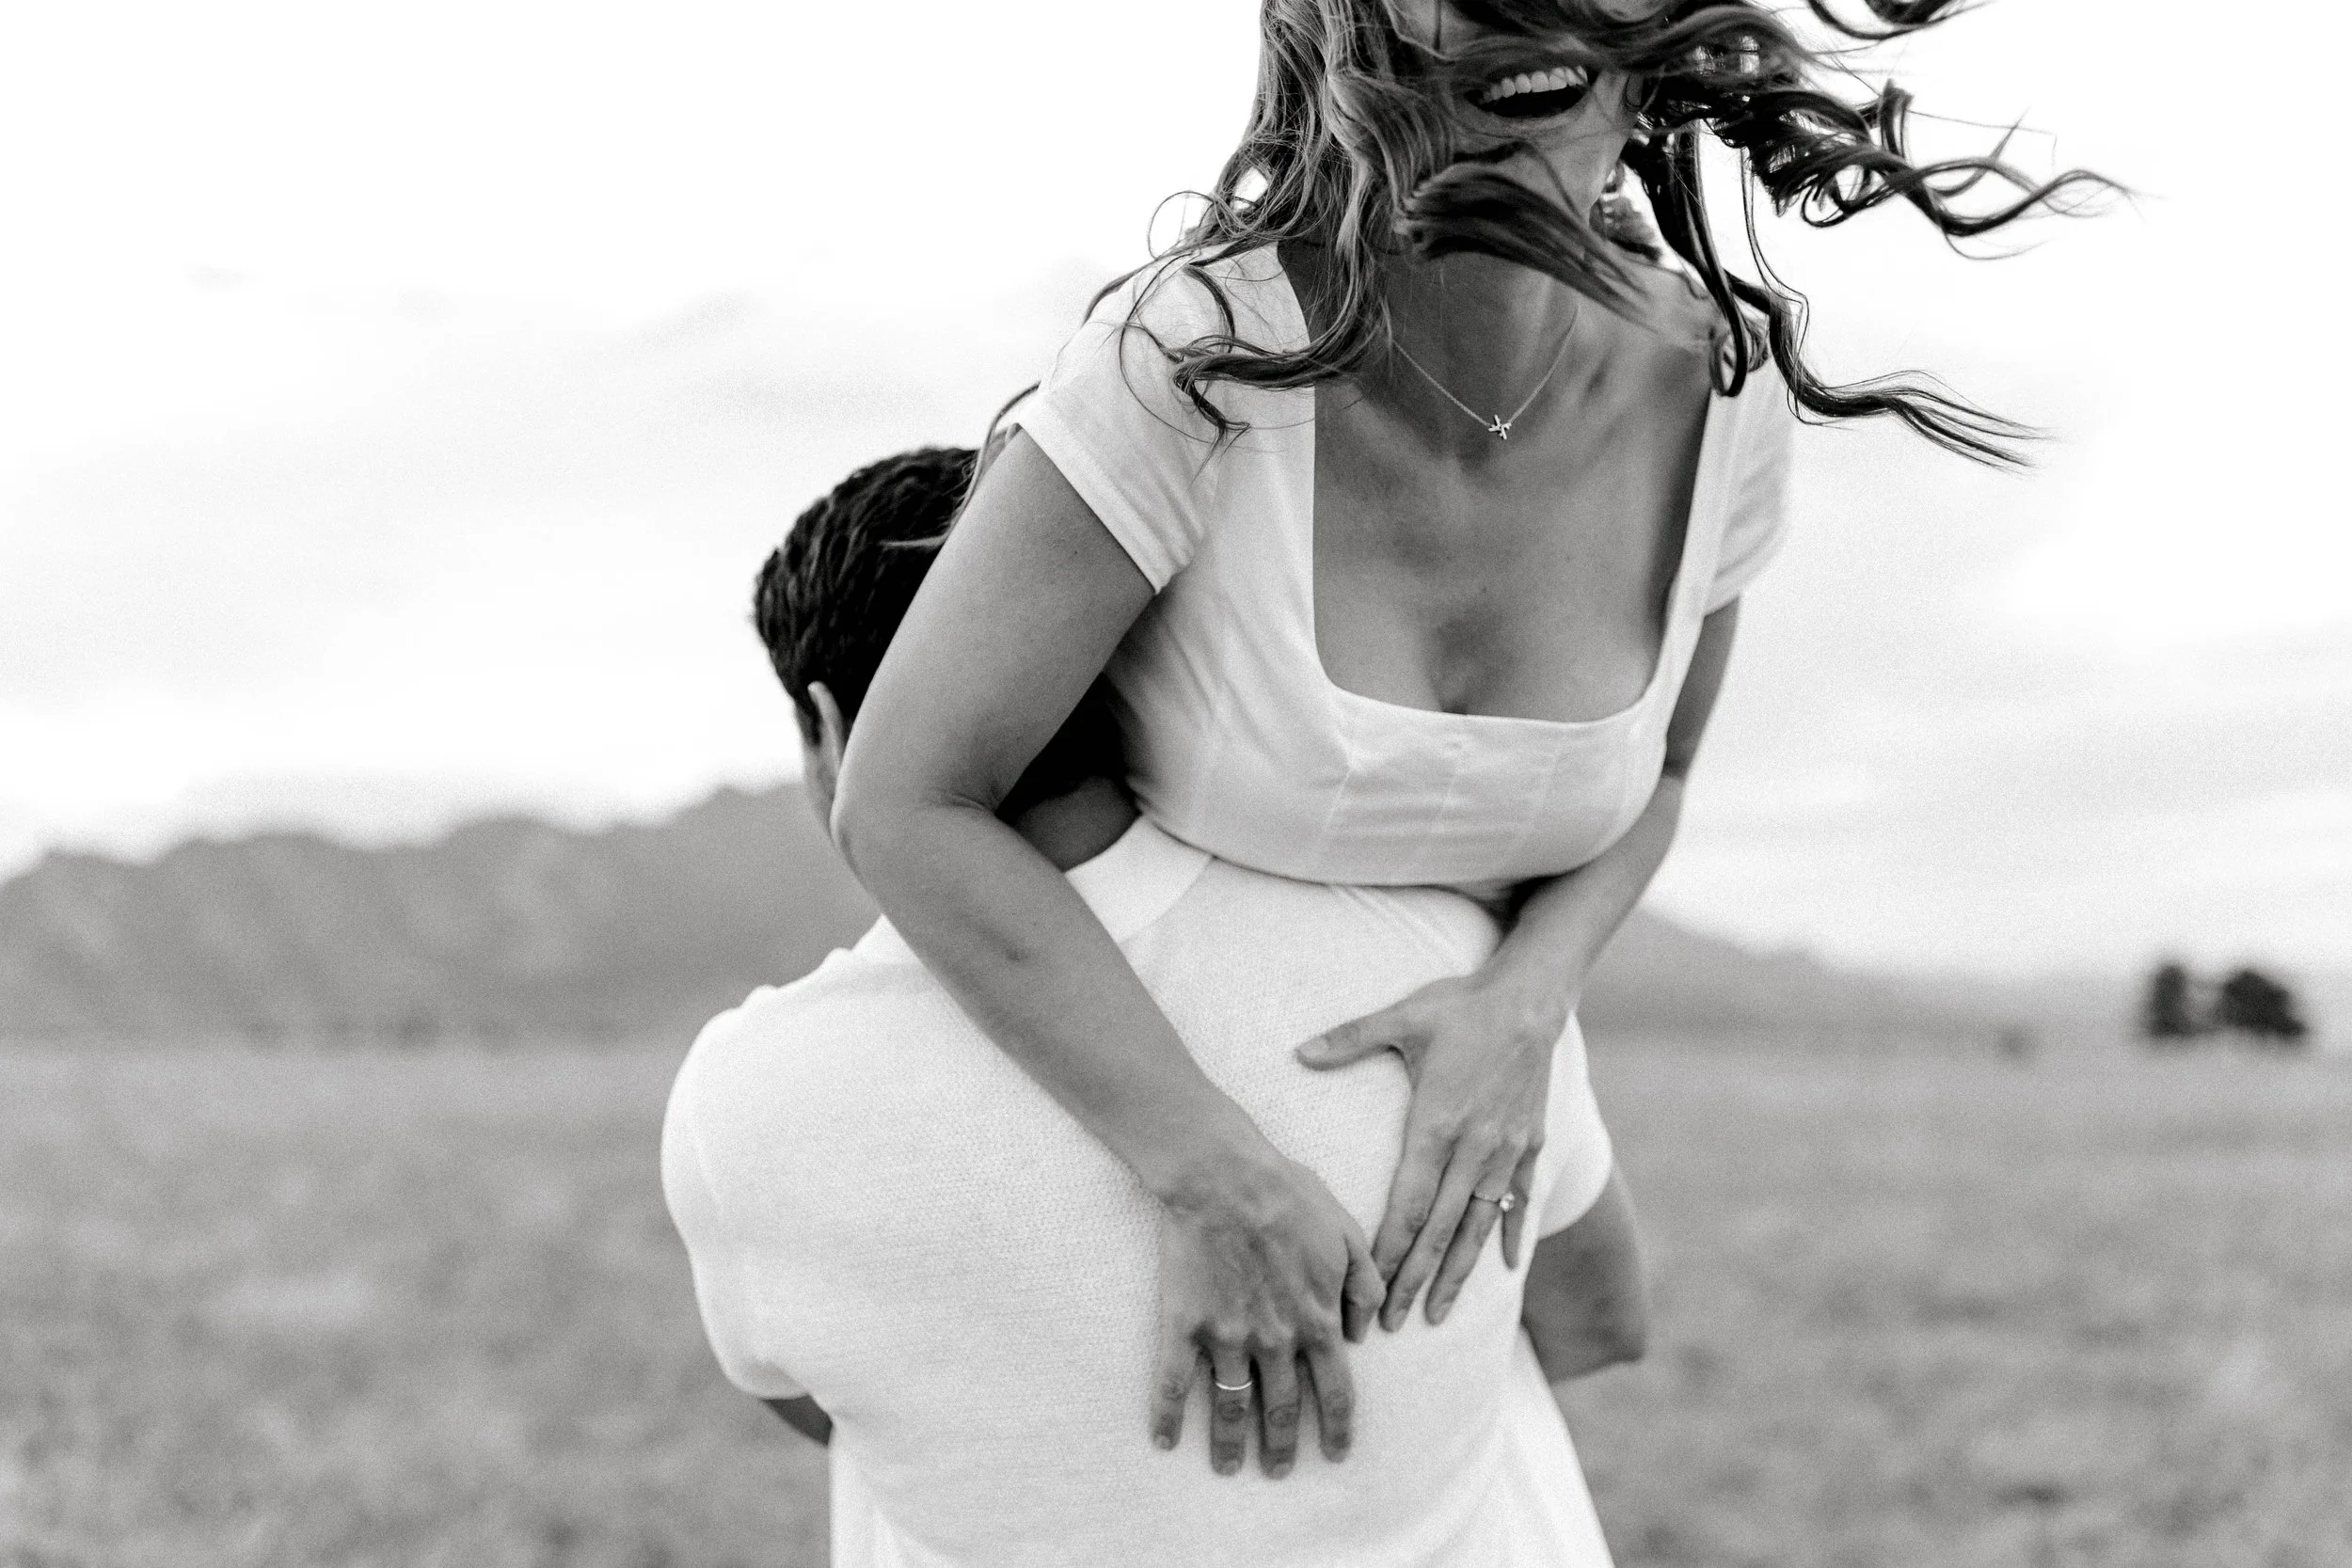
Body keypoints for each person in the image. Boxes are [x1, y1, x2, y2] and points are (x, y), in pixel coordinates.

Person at [828, 0, 2104, 1454]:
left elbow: (1667, 768)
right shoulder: (1194, 356)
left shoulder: (1727, 383)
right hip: (1158, 1214)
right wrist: (1211, 1173)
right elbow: (905, 801)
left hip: (1475, 1296)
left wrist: (1526, 999)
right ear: (1348, 28)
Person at [664, 445, 1648, 1566]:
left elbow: (817, 1405)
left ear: (832, 726)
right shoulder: (1446, 968)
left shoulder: (742, 1097)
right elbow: (1600, 1319)